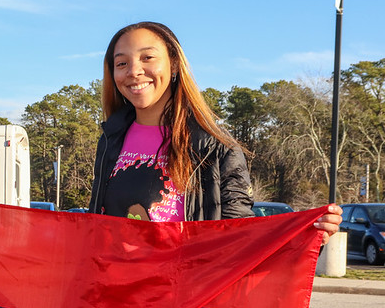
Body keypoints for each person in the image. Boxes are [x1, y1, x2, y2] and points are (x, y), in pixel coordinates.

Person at [89, 21, 342, 240]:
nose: (134, 71)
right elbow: (95, 229)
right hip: (114, 292)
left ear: (174, 64)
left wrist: (307, 237)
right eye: (121, 63)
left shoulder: (216, 147)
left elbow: (240, 235)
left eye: (148, 57)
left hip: (184, 293)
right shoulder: (111, 141)